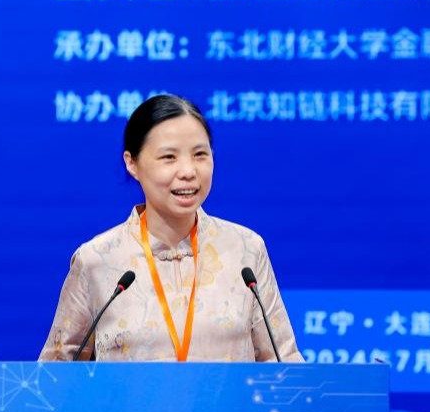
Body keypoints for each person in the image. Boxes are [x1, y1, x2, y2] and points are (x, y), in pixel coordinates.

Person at [39, 94, 303, 362]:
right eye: (169, 157)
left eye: (200, 155)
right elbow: (54, 374)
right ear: (132, 163)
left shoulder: (246, 250)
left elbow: (284, 363)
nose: (188, 171)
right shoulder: (97, 260)